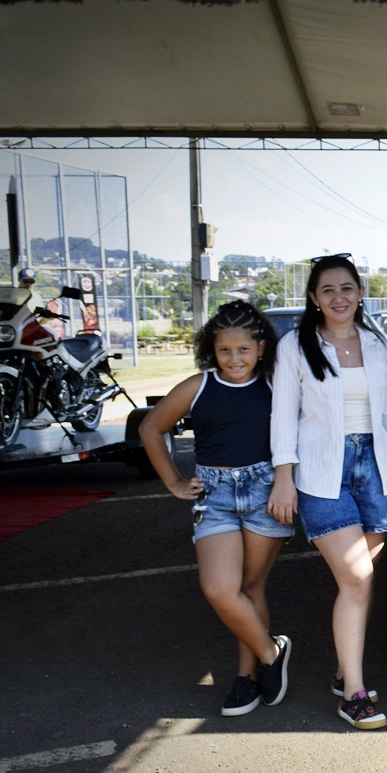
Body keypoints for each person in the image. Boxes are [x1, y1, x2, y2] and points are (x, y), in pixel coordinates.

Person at [268, 254, 387, 730]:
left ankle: (344, 671)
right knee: (356, 577)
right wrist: (284, 476)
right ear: (313, 297)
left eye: (346, 287)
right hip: (321, 472)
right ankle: (354, 695)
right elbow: (282, 415)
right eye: (327, 289)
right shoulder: (295, 345)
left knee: (359, 581)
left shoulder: (375, 343)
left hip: (376, 467)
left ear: (360, 292)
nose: (338, 297)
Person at [140, 301, 294, 717]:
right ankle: (271, 652)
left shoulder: (276, 385)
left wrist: (288, 483)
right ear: (212, 350)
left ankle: (246, 678)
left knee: (250, 587)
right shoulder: (198, 386)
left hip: (265, 492)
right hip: (216, 495)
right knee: (219, 588)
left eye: (243, 350)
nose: (234, 359)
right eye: (224, 350)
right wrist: (174, 482)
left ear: (261, 348)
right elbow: (151, 428)